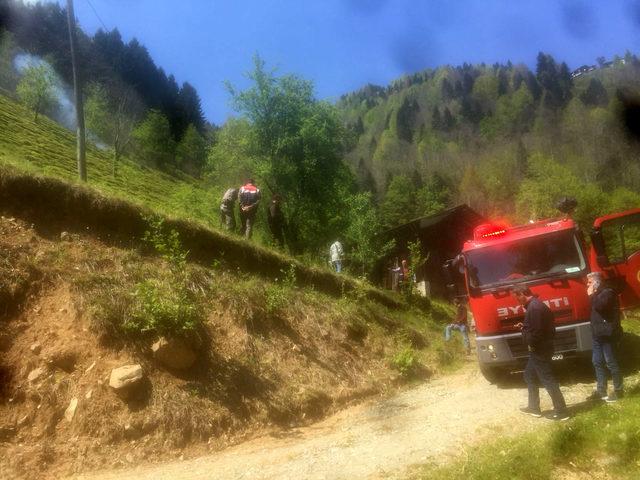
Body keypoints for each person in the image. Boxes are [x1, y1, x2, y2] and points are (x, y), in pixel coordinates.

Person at [512, 285, 569, 421]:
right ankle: (533, 407)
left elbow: (537, 334)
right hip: (539, 349)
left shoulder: (535, 308)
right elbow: (537, 327)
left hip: (540, 349)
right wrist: (525, 327)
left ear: (522, 294)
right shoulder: (534, 306)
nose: (516, 301)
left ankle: (562, 411)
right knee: (529, 375)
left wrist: (527, 338)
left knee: (547, 379)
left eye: (516, 298)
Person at [586, 272, 624, 403]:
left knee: (611, 362)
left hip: (608, 334)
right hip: (597, 334)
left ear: (597, 282)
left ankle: (619, 391)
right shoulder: (598, 294)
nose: (587, 284)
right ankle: (601, 391)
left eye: (589, 282)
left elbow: (600, 306)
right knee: (597, 362)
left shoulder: (608, 292)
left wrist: (591, 294)